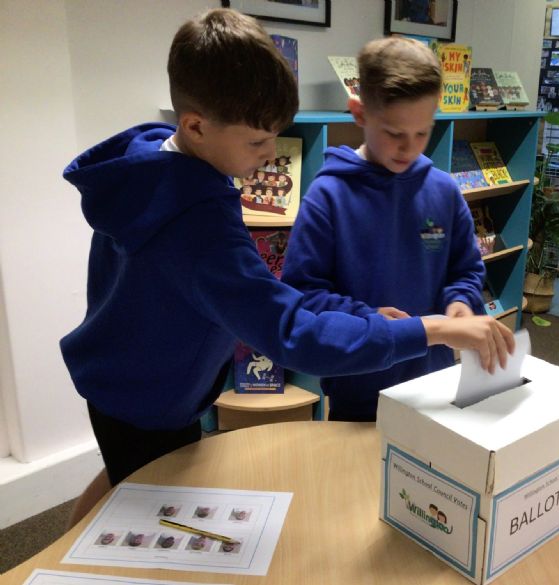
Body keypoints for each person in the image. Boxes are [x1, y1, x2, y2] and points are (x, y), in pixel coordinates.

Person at [61, 9, 514, 524]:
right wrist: (430, 329)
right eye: (257, 141)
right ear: (196, 127)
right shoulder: (198, 227)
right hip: (149, 400)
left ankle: (64, 543)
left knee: (123, 476)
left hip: (128, 379)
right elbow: (293, 332)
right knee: (142, 513)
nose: (271, 153)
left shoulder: (150, 167)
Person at [282, 37, 489, 421]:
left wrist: (460, 302)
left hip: (433, 384)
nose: (409, 148)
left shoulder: (443, 191)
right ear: (359, 113)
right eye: (394, 133)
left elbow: (466, 270)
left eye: (422, 133)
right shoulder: (327, 197)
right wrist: (368, 318)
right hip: (358, 392)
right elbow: (304, 295)